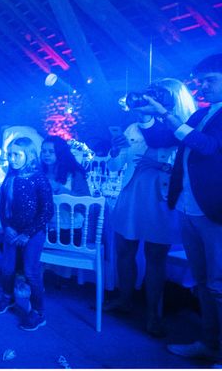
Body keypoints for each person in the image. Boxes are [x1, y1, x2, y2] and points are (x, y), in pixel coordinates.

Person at [146, 54, 222, 363]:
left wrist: (171, 117)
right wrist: (147, 115)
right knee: (202, 282)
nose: (203, 87)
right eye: (201, 81)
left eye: (210, 81)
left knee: (219, 285)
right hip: (189, 208)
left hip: (215, 210)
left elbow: (207, 146)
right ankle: (208, 342)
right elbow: (161, 138)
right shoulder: (201, 114)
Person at [106, 78, 196, 337]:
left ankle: (153, 316)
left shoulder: (182, 126)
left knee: (156, 258)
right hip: (131, 193)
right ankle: (125, 301)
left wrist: (162, 166)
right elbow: (115, 166)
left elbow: (190, 164)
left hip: (161, 197)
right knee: (125, 251)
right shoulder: (134, 126)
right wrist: (114, 152)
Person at [0, 137, 54, 331]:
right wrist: (7, 228)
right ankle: (8, 296)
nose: (12, 159)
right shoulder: (9, 178)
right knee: (7, 269)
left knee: (30, 271)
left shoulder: (38, 178)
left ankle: (38, 311)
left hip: (33, 232)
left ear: (29, 156)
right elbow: (2, 207)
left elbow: (47, 210)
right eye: (10, 154)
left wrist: (28, 233)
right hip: (12, 231)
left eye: (17, 155)